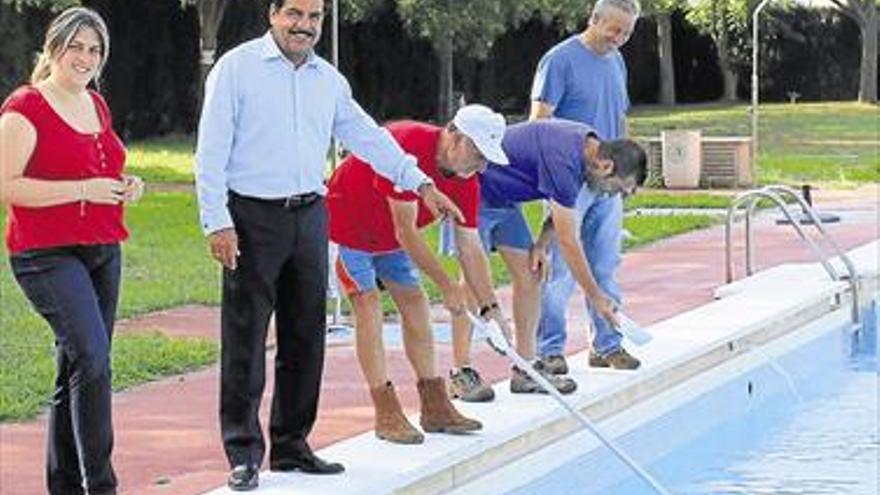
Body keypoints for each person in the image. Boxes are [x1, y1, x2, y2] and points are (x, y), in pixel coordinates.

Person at [194, 0, 462, 490]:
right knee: (246, 337)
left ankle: (293, 447)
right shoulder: (236, 69)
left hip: (311, 216)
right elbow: (209, 150)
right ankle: (243, 453)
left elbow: (369, 137)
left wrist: (422, 184)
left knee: (305, 336)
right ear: (272, 14)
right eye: (294, 14)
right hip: (252, 216)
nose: (305, 25)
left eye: (314, 17)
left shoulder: (328, 81)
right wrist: (217, 222)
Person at [0, 7, 144, 495]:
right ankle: (102, 486)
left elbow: (103, 166)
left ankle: (63, 486)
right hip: (44, 254)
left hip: (103, 248)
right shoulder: (25, 107)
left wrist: (128, 185)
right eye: (76, 46)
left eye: (95, 49)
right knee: (93, 357)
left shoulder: (95, 104)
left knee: (78, 365)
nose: (85, 57)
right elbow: (7, 187)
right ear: (53, 47)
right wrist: (83, 189)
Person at [327, 104, 513, 444]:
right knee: (367, 308)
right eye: (478, 153)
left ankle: (435, 405)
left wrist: (491, 308)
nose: (482, 165)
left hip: (388, 241)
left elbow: (470, 246)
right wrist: (447, 286)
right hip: (345, 225)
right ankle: (386, 412)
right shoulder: (408, 143)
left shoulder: (465, 180)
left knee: (416, 306)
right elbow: (406, 231)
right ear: (454, 135)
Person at [448, 120, 647, 401]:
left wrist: (541, 243)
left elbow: (565, 203)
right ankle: (460, 372)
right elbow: (568, 240)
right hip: (474, 191)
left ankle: (525, 368)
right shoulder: (565, 156)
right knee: (471, 283)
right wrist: (597, 297)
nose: (613, 195)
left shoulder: (588, 153)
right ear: (607, 167)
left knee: (531, 274)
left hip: (504, 200)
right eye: (618, 188)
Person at [530, 0, 643, 374]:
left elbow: (620, 117)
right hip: (569, 181)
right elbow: (539, 122)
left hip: (607, 182)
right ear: (593, 20)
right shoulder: (558, 60)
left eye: (626, 32)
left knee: (605, 266)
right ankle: (550, 350)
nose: (620, 39)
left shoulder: (617, 60)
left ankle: (608, 345)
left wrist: (627, 168)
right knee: (559, 270)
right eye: (614, 30)